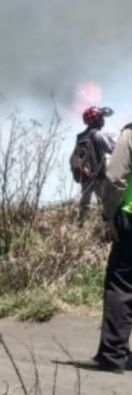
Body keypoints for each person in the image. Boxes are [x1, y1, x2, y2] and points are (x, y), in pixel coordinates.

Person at [91, 121, 132, 372]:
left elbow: (115, 178)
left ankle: (113, 354)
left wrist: (108, 214)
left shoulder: (129, 135)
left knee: (121, 284)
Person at [73, 106, 116, 223]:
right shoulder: (98, 135)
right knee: (104, 204)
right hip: (99, 176)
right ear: (96, 120)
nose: (103, 120)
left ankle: (79, 226)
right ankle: (106, 229)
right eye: (101, 117)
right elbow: (113, 149)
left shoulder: (80, 137)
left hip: (85, 177)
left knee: (84, 204)